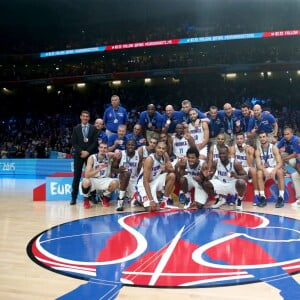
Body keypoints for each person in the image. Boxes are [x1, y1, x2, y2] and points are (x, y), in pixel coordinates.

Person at [202, 146, 247, 211]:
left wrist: (236, 176)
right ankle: (219, 199)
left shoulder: (235, 163)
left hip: (232, 185)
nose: (221, 155)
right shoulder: (216, 162)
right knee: (205, 183)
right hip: (221, 184)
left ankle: (239, 200)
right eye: (220, 154)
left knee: (241, 182)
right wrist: (206, 176)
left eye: (223, 153)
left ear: (228, 153)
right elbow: (210, 178)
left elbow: (246, 177)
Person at [135, 142, 176, 212]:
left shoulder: (164, 156)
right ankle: (138, 198)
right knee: (151, 209)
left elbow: (172, 169)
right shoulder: (150, 159)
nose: (161, 150)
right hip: (143, 184)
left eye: (163, 148)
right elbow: (145, 181)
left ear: (165, 150)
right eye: (159, 148)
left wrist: (166, 168)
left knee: (172, 176)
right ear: (156, 148)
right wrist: (151, 200)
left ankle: (164, 201)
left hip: (154, 181)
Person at [70, 110, 98, 205]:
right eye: (84, 116)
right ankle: (74, 197)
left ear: (89, 118)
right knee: (77, 176)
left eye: (87, 116)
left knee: (91, 176)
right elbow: (74, 142)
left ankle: (92, 196)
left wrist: (87, 152)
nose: (85, 118)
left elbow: (95, 142)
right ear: (81, 117)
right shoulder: (76, 128)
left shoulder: (93, 128)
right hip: (79, 155)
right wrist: (81, 151)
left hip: (90, 155)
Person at [81, 142, 119, 208]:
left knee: (115, 183)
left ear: (107, 149)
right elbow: (87, 175)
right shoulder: (92, 158)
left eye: (105, 148)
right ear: (98, 148)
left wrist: (117, 152)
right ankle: (86, 198)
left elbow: (117, 154)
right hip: (93, 180)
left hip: (104, 179)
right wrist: (99, 168)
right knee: (85, 182)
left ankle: (104, 197)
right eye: (101, 147)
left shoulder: (108, 156)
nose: (103, 149)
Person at [255, 131, 285, 208]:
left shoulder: (273, 148)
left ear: (267, 137)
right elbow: (258, 165)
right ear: (259, 139)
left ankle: (281, 197)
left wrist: (274, 170)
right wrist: (264, 170)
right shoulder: (258, 150)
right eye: (260, 137)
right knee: (259, 172)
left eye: (264, 136)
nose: (262, 139)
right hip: (265, 170)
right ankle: (262, 197)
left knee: (280, 171)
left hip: (273, 168)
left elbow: (280, 162)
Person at [112, 139, 142, 211]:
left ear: (135, 146)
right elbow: (113, 169)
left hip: (133, 180)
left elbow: (140, 171)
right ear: (126, 146)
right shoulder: (121, 154)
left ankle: (132, 197)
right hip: (121, 178)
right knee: (127, 174)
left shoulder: (139, 155)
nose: (130, 146)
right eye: (128, 145)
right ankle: (120, 201)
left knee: (141, 201)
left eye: (132, 145)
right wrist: (119, 170)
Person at [229, 132, 259, 205]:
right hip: (237, 170)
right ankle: (233, 194)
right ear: (236, 140)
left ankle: (256, 195)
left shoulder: (250, 149)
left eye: (241, 139)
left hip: (246, 168)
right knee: (231, 170)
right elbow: (232, 162)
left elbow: (250, 164)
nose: (239, 140)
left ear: (244, 140)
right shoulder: (233, 148)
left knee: (253, 170)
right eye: (238, 139)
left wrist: (246, 151)